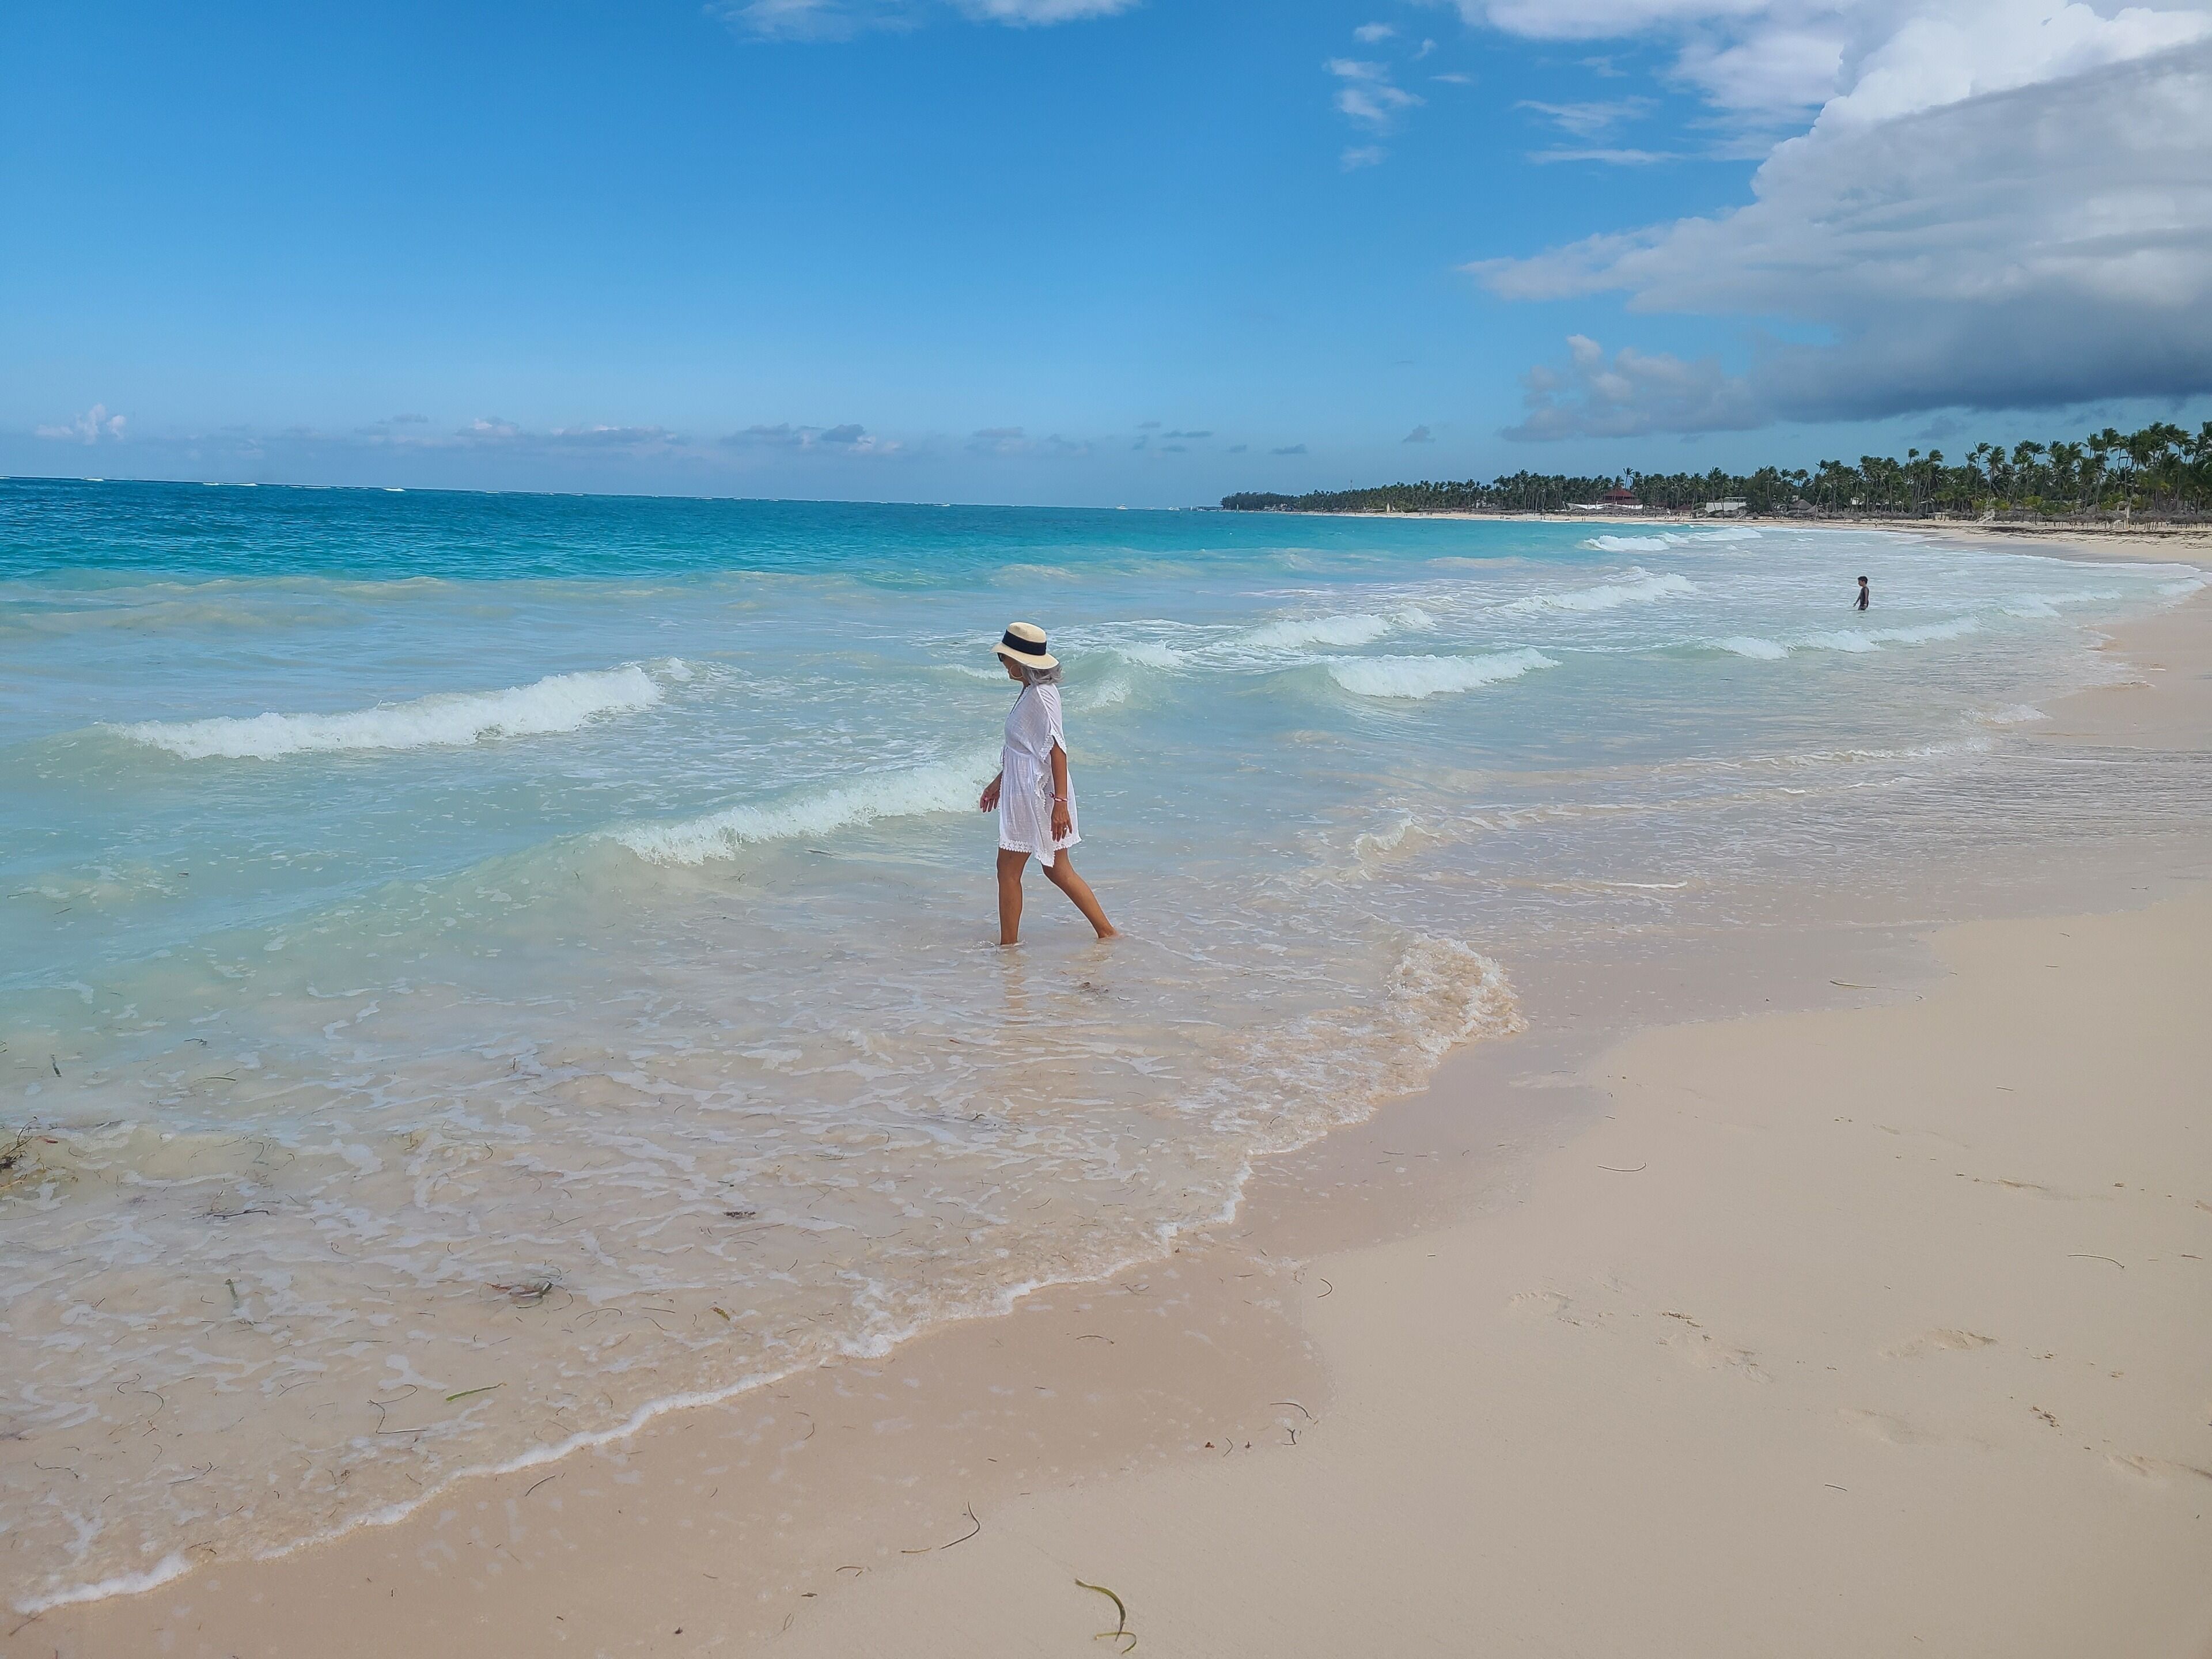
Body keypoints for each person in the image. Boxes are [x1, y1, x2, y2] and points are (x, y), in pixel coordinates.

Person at [979, 622, 1116, 947]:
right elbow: (1026, 747)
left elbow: (1058, 749)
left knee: (1008, 870)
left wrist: (1060, 804)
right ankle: (1107, 933)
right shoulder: (1031, 690)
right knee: (1056, 869)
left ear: (1019, 662)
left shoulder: (1041, 696)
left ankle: (1008, 948)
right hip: (1026, 785)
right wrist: (1000, 781)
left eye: (1005, 659)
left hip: (1036, 792)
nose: (1003, 664)